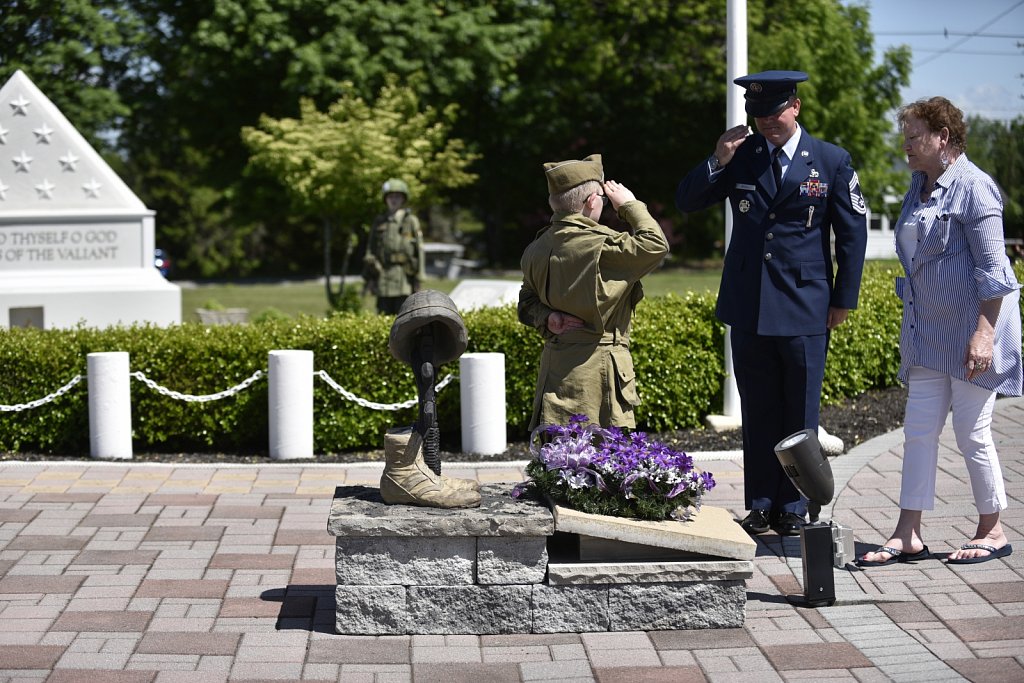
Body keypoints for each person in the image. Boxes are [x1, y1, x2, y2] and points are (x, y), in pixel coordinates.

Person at [675, 71, 868, 536]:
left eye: (774, 113)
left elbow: (852, 234)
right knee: (758, 409)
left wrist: (843, 299)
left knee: (799, 413)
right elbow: (687, 201)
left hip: (805, 305)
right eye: (757, 115)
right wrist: (718, 159)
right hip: (750, 304)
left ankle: (796, 506)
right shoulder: (741, 158)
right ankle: (761, 503)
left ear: (795, 106)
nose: (766, 123)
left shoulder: (830, 160)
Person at [857, 97, 1021, 567]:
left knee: (973, 433)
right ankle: (908, 533)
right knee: (919, 431)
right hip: (927, 332)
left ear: (942, 137)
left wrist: (984, 334)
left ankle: (992, 530)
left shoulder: (975, 188)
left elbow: (995, 270)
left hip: (972, 331)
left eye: (913, 136)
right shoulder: (918, 185)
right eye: (904, 135)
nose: (905, 145)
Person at [518, 154, 669, 432]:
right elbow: (655, 244)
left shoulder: (535, 249)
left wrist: (548, 316)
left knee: (559, 464)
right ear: (591, 201)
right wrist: (629, 205)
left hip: (555, 371)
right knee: (605, 466)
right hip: (600, 374)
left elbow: (526, 303)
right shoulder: (603, 247)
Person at [363, 178, 426, 315]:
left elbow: (419, 251)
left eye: (398, 196)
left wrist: (419, 278)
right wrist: (370, 278)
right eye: (390, 196)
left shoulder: (410, 221)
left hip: (404, 277)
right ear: (385, 199)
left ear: (403, 199)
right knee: (383, 315)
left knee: (404, 316)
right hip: (383, 276)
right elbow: (371, 249)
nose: (394, 200)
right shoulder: (379, 221)